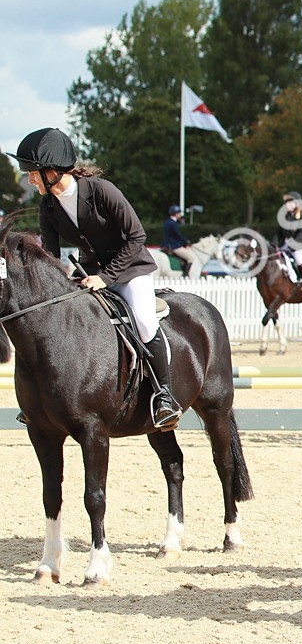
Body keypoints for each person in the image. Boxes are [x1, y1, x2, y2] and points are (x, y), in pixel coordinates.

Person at [7, 127, 182, 428]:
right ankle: (44, 398)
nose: (29, 179)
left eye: (33, 173)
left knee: (142, 320)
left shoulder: (101, 190)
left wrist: (106, 276)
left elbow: (136, 236)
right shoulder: (48, 205)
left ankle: (162, 395)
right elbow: (50, 254)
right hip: (89, 272)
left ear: (52, 171)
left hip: (129, 270)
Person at [162, 205, 200, 278]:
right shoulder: (173, 223)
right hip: (174, 246)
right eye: (179, 213)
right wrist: (186, 242)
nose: (180, 215)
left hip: (166, 244)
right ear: (176, 214)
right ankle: (185, 276)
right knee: (191, 258)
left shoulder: (167, 222)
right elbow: (178, 236)